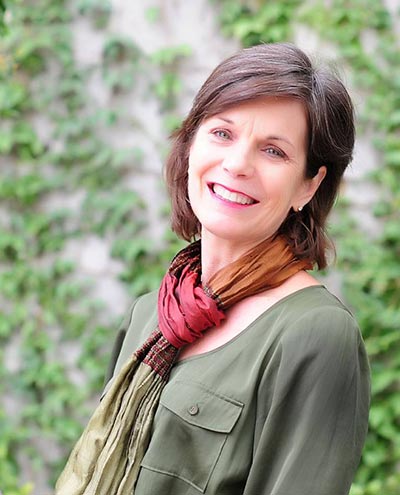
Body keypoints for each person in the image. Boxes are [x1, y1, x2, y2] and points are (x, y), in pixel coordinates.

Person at [56, 42, 370, 495]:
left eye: (274, 151)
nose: (237, 164)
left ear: (308, 184)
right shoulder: (152, 317)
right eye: (222, 133)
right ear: (190, 145)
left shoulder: (315, 335)